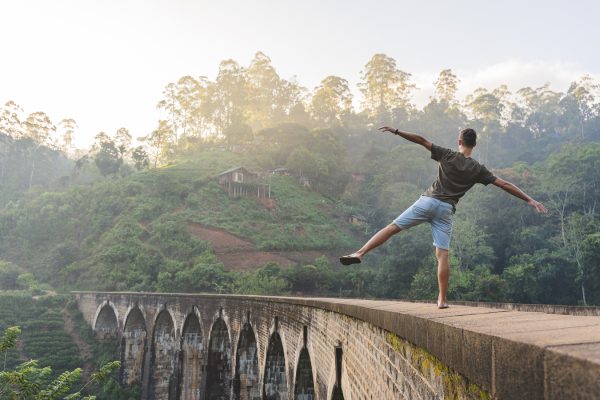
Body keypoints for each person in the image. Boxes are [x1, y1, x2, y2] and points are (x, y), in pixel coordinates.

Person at [340, 126, 548, 309]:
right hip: (446, 210)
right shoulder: (477, 169)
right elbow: (505, 184)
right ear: (474, 145)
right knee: (442, 255)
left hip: (427, 201)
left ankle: (360, 253)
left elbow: (421, 140)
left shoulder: (447, 154)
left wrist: (396, 131)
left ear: (459, 142)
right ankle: (442, 299)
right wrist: (530, 200)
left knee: (393, 227)